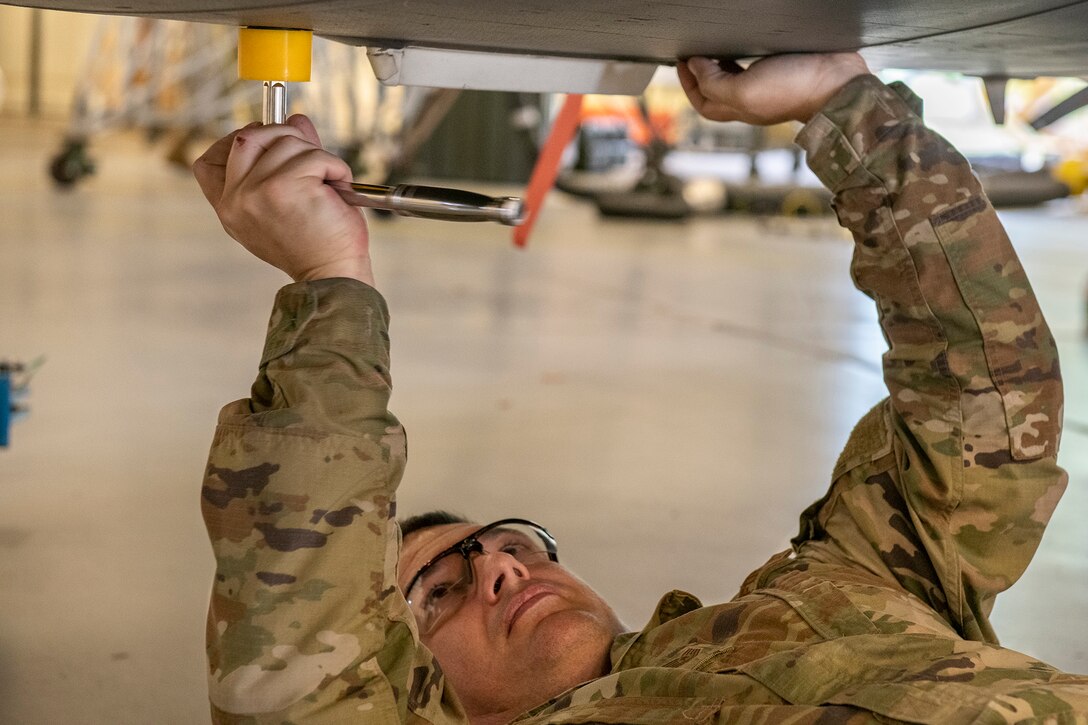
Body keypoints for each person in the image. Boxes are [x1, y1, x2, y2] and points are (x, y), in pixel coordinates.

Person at [194, 52, 1083, 723]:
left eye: (511, 545)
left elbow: (987, 402)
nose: (501, 567)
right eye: (439, 594)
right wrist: (330, 281)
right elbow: (298, 654)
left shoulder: (850, 576)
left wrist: (846, 107)